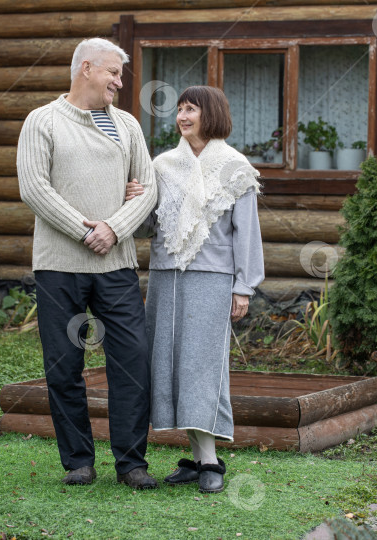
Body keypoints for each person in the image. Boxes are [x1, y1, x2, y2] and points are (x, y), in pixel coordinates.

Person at [17, 38, 159, 489]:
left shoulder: (127, 126)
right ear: (85, 69)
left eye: (120, 75)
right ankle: (78, 460)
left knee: (132, 361)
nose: (120, 82)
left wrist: (113, 229)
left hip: (116, 266)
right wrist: (86, 230)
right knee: (64, 364)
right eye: (113, 73)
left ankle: (131, 463)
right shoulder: (43, 121)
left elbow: (148, 188)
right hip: (59, 267)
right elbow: (35, 188)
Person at [127, 86, 264, 493]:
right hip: (167, 275)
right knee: (171, 364)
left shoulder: (235, 167)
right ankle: (198, 456)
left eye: (192, 109)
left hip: (214, 279)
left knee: (202, 366)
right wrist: (136, 200)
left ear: (212, 114)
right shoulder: (164, 165)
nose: (183, 116)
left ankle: (209, 462)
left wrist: (244, 287)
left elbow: (247, 234)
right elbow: (148, 227)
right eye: (181, 110)